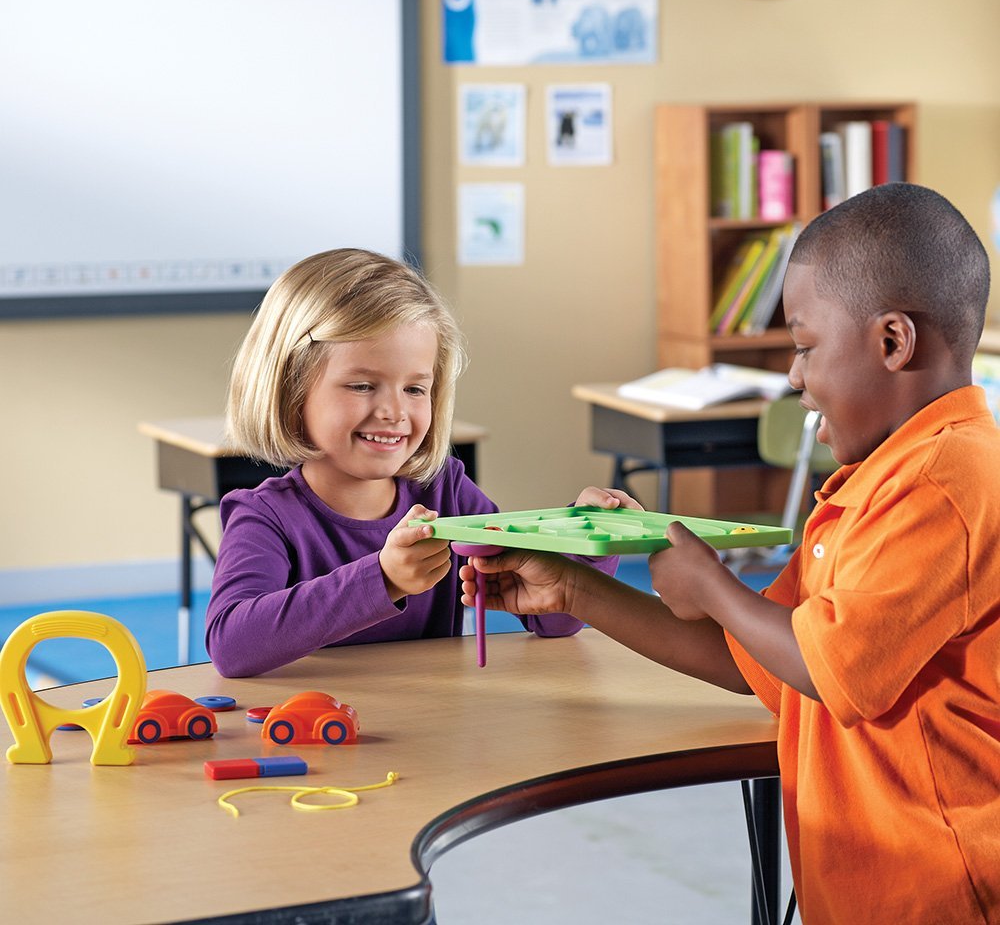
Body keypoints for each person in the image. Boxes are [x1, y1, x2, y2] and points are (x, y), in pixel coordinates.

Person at [461, 183, 1000, 924]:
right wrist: (578, 590)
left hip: (941, 890)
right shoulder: (875, 484)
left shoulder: (949, 479)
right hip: (874, 890)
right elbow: (758, 661)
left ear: (892, 342)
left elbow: (829, 669)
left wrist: (713, 585)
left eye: (807, 348)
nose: (795, 378)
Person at [206, 248, 634, 678]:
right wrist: (383, 578)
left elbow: (552, 618)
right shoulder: (265, 516)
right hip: (316, 729)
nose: (394, 411)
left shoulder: (445, 490)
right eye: (361, 385)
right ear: (290, 387)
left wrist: (591, 548)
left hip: (434, 730)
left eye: (415, 389)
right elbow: (232, 645)